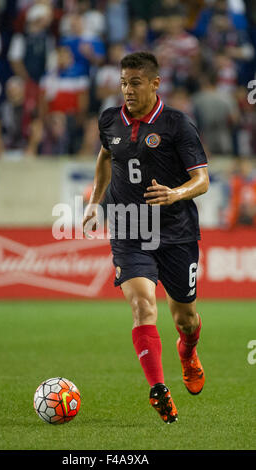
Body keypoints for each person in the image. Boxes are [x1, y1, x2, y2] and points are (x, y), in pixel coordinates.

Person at [82, 52, 209, 424]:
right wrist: (95, 202)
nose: (127, 90)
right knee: (142, 306)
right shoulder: (110, 120)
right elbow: (106, 157)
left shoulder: (176, 124)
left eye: (135, 83)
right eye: (123, 83)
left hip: (176, 232)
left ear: (155, 84)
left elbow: (202, 179)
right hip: (128, 229)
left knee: (185, 318)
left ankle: (187, 351)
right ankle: (158, 388)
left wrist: (175, 193)